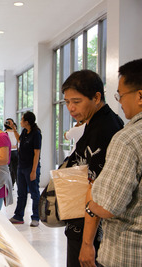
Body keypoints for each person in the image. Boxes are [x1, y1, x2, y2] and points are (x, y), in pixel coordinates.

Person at [61, 70, 123, 267]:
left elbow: (96, 188)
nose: (71, 108)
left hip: (90, 229)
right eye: (67, 102)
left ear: (96, 97)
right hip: (80, 221)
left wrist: (87, 243)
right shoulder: (95, 122)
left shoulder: (105, 128)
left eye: (76, 101)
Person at [88, 59, 142, 267]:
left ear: (139, 95)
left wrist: (90, 201)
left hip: (127, 254)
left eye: (121, 95)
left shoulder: (127, 139)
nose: (119, 101)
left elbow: (107, 205)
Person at [9, 111, 42, 227]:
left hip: (31, 167)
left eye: (22, 119)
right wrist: (14, 129)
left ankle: (36, 217)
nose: (21, 121)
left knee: (34, 193)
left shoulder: (36, 133)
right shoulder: (24, 131)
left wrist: (34, 171)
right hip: (21, 166)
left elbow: (37, 153)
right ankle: (19, 216)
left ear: (27, 122)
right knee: (21, 192)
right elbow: (20, 141)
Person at [4, 118, 18, 187]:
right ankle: (14, 183)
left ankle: (10, 184)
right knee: (15, 169)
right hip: (14, 152)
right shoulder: (15, 132)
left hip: (9, 152)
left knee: (9, 169)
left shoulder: (5, 133)